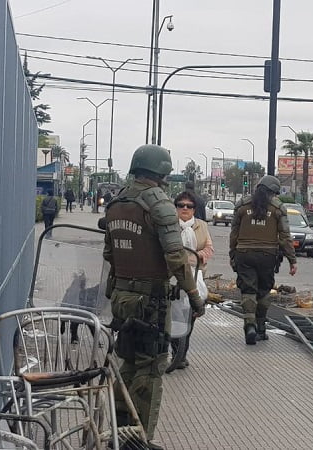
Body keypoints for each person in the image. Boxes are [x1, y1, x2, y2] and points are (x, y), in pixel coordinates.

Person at [102, 144, 204, 447]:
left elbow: (109, 253)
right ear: (162, 172)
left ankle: (119, 436)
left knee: (129, 363)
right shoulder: (159, 203)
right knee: (150, 369)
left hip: (121, 299)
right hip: (150, 303)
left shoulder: (117, 202)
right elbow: (176, 257)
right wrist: (194, 296)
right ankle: (139, 440)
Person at [229, 175, 297, 345]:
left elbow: (234, 234)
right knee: (264, 291)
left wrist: (233, 254)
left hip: (244, 253)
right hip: (268, 256)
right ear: (273, 192)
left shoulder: (242, 206)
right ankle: (261, 328)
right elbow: (285, 236)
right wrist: (292, 260)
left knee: (248, 290)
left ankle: (249, 325)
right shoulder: (278, 208)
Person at [170, 190, 214, 370]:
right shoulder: (170, 225)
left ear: (194, 209)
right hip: (173, 277)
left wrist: (197, 256)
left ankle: (182, 354)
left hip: (195, 277)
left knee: (190, 316)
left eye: (189, 206)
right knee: (174, 316)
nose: (185, 209)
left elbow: (209, 248)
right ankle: (175, 353)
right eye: (181, 205)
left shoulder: (201, 226)